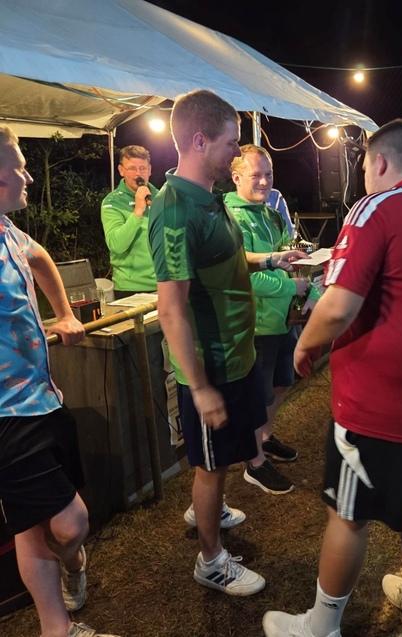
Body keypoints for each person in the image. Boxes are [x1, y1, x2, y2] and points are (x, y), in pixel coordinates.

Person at [262, 119, 402, 637]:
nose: (364, 177)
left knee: (349, 512)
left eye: (364, 167)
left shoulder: (375, 207)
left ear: (379, 162)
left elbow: (338, 305)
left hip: (380, 400)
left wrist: (305, 345)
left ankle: (322, 625)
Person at [147, 90, 304, 596]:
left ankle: (207, 509)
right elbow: (171, 307)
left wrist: (270, 260)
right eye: (231, 143)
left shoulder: (210, 197)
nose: (237, 153)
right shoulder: (175, 210)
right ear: (199, 140)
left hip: (238, 354)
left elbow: (227, 259)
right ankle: (211, 560)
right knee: (211, 466)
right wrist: (199, 388)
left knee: (222, 459)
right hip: (210, 365)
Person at [0, 125, 118, 637]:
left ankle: (58, 629)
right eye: (20, 166)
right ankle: (73, 567)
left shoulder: (7, 229)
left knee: (34, 529)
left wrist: (65, 312)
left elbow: (40, 257)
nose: (28, 176)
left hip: (45, 399)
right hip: (7, 417)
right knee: (71, 523)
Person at [225, 144, 320, 494]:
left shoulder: (272, 213)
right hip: (254, 325)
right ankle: (254, 462)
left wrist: (307, 288)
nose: (264, 182)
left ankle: (264, 437)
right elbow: (243, 277)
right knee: (256, 395)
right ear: (236, 177)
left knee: (282, 383)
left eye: (268, 174)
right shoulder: (230, 217)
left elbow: (289, 258)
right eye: (256, 175)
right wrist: (291, 287)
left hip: (282, 319)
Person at [100, 145, 158, 298]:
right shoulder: (112, 202)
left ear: (150, 170)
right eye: (132, 168)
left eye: (142, 168)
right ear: (121, 170)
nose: (138, 173)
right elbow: (116, 245)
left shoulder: (161, 197)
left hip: (165, 284)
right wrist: (138, 211)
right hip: (130, 289)